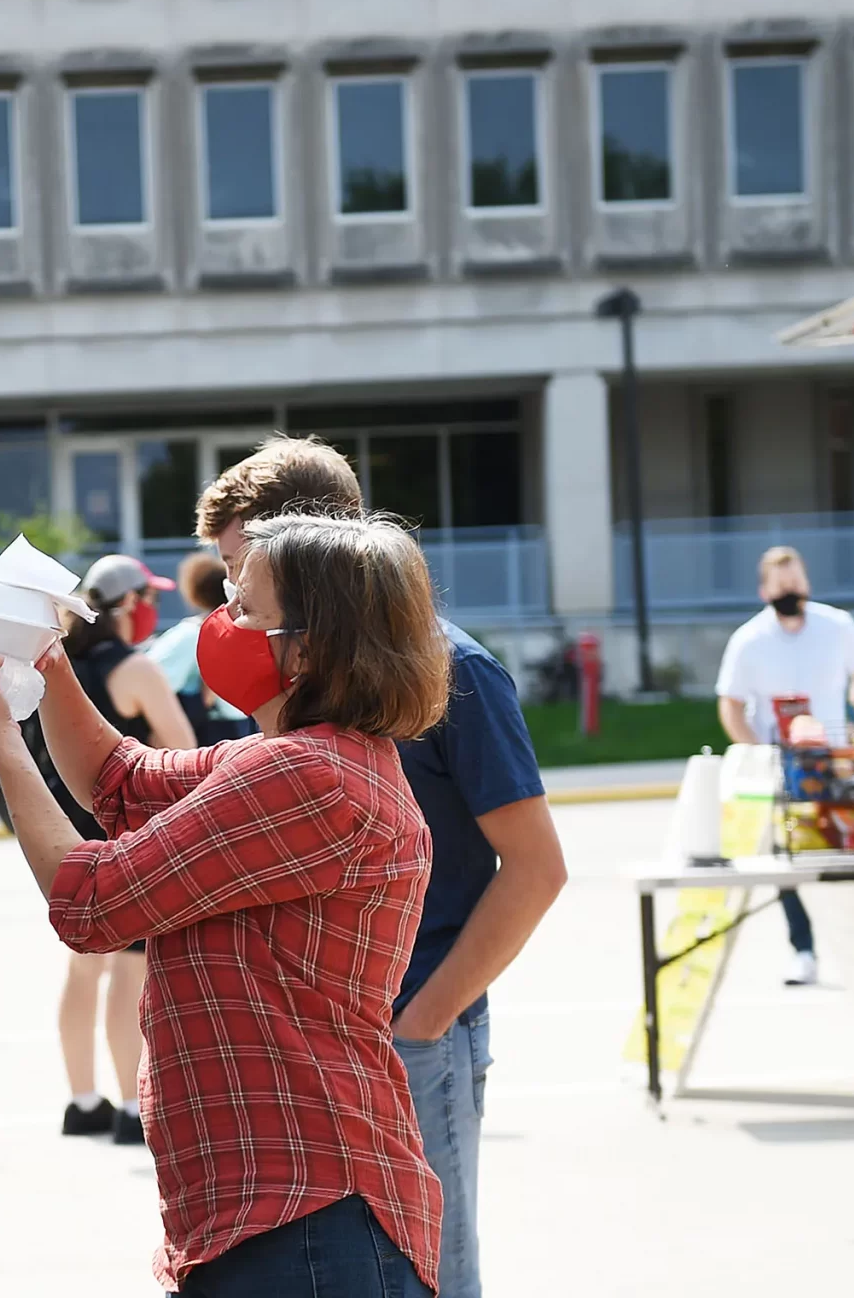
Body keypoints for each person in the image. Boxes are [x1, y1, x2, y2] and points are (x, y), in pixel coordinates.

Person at [0, 514, 450, 1298]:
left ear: (310, 646)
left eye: (244, 608)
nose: (219, 623)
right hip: (281, 1213)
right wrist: (42, 654)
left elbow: (90, 902)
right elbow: (122, 782)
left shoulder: (304, 775)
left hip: (308, 1221)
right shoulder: (295, 761)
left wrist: (3, 741)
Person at [196, 438, 566, 1298]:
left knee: (434, 1275)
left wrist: (424, 1022)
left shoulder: (454, 669)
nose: (233, 604)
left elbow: (537, 867)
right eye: (227, 578)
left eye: (245, 572)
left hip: (409, 1035)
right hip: (325, 1042)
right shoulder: (309, 683)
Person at [0, 555, 194, 1144]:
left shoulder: (58, 665)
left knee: (82, 966)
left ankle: (82, 1100)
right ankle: (133, 1107)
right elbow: (182, 749)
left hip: (66, 833)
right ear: (127, 605)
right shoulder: (136, 669)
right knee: (132, 968)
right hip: (125, 833)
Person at [714, 546, 854, 986]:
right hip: (782, 764)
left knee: (848, 855)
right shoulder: (750, 641)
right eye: (782, 585)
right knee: (786, 863)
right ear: (764, 590)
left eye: (797, 582)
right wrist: (757, 751)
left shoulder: (837, 626)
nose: (791, 591)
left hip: (836, 758)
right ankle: (803, 948)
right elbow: (730, 705)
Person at [143, 550, 256, 745]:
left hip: (210, 731)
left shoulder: (190, 634)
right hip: (243, 726)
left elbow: (150, 679)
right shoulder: (248, 629)